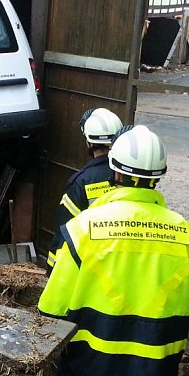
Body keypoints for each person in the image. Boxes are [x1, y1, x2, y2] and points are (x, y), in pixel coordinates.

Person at [39, 126, 189, 376]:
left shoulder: (84, 228)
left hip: (88, 365)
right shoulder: (186, 235)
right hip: (152, 370)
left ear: (115, 171)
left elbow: (51, 306)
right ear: (158, 178)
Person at [45, 108, 123, 271]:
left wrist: (52, 268)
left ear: (89, 143)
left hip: (91, 264)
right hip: (122, 261)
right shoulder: (127, 176)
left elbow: (64, 231)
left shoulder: (82, 182)